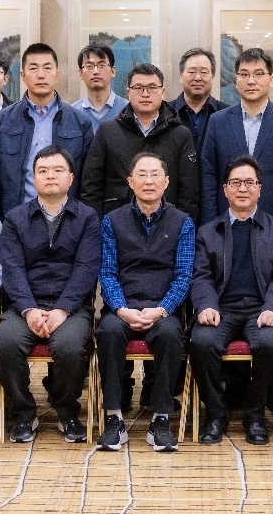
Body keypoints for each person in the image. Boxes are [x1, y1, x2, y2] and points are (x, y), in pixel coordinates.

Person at [0, 146, 100, 443]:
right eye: (43, 171)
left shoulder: (87, 217)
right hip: (25, 305)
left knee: (69, 347)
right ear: (33, 178)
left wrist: (63, 309)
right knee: (6, 344)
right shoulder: (15, 218)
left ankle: (67, 410)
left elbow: (86, 268)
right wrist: (29, 309)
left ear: (71, 177)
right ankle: (23, 412)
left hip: (71, 307)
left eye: (57, 170)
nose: (50, 176)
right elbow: (12, 268)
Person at [189, 157, 273, 446]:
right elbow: (200, 276)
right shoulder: (208, 232)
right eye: (235, 183)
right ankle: (216, 414)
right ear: (225, 189)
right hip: (221, 308)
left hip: (262, 308)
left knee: (271, 345)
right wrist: (206, 304)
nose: (243, 188)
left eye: (249, 182)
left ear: (260, 188)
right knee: (202, 343)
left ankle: (255, 413)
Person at [95, 154, 194, 453]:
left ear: (166, 182)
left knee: (169, 334)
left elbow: (183, 276)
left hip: (162, 308)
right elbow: (107, 273)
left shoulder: (183, 222)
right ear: (130, 182)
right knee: (108, 332)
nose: (148, 181)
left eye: (155, 175)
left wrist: (162, 309)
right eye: (142, 174)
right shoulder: (112, 221)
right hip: (122, 307)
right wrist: (121, 309)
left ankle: (160, 419)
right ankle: (114, 418)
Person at [200, 48, 273, 225]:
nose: (251, 81)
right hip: (227, 223)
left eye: (259, 74)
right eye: (244, 74)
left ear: (271, 79)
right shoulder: (217, 121)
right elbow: (208, 177)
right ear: (236, 79)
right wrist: (211, 226)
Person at [0, 43, 95, 216]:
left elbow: (89, 182)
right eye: (33, 68)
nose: (41, 75)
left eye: (47, 68)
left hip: (67, 219)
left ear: (57, 74)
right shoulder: (3, 121)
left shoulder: (80, 122)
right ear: (23, 75)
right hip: (16, 219)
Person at [81, 63, 198, 217]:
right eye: (138, 88)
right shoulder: (107, 131)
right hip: (116, 223)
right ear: (128, 93)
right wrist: (96, 227)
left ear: (162, 92)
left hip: (167, 224)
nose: (145, 94)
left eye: (152, 88)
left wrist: (182, 227)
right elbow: (91, 188)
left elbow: (189, 193)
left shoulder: (180, 134)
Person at [170, 47, 228, 154]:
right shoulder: (166, 113)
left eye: (204, 72)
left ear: (213, 77)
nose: (197, 77)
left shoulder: (226, 114)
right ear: (181, 76)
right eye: (192, 72)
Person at [70, 45, 125, 133]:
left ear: (113, 71)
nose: (96, 71)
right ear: (80, 73)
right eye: (89, 66)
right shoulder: (71, 113)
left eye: (102, 65)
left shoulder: (128, 110)